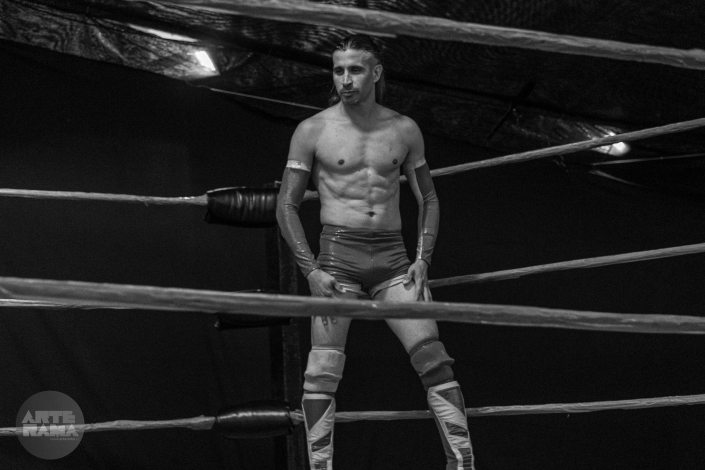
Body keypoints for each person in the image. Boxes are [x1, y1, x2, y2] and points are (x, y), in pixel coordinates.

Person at [276, 34, 475, 470]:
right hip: (337, 260)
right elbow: (285, 206)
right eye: (338, 70)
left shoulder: (404, 129)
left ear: (376, 73)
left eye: (355, 70)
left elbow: (429, 198)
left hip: (393, 259)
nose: (345, 80)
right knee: (321, 372)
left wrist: (423, 258)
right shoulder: (312, 130)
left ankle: (462, 465)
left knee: (435, 361)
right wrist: (310, 270)